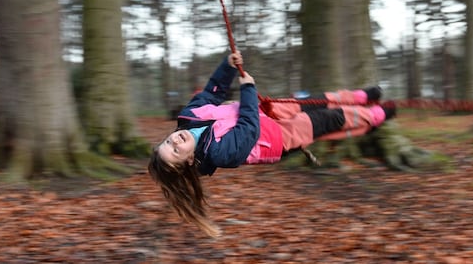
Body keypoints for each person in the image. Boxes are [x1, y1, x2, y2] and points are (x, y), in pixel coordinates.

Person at [147, 51, 396, 236]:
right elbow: (248, 128)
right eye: (176, 150)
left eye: (168, 141)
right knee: (333, 118)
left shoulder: (189, 117)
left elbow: (211, 93)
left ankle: (364, 96)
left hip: (267, 111)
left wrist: (227, 67)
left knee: (320, 101)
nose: (175, 140)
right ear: (188, 161)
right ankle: (379, 114)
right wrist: (248, 89)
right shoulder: (219, 154)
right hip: (277, 136)